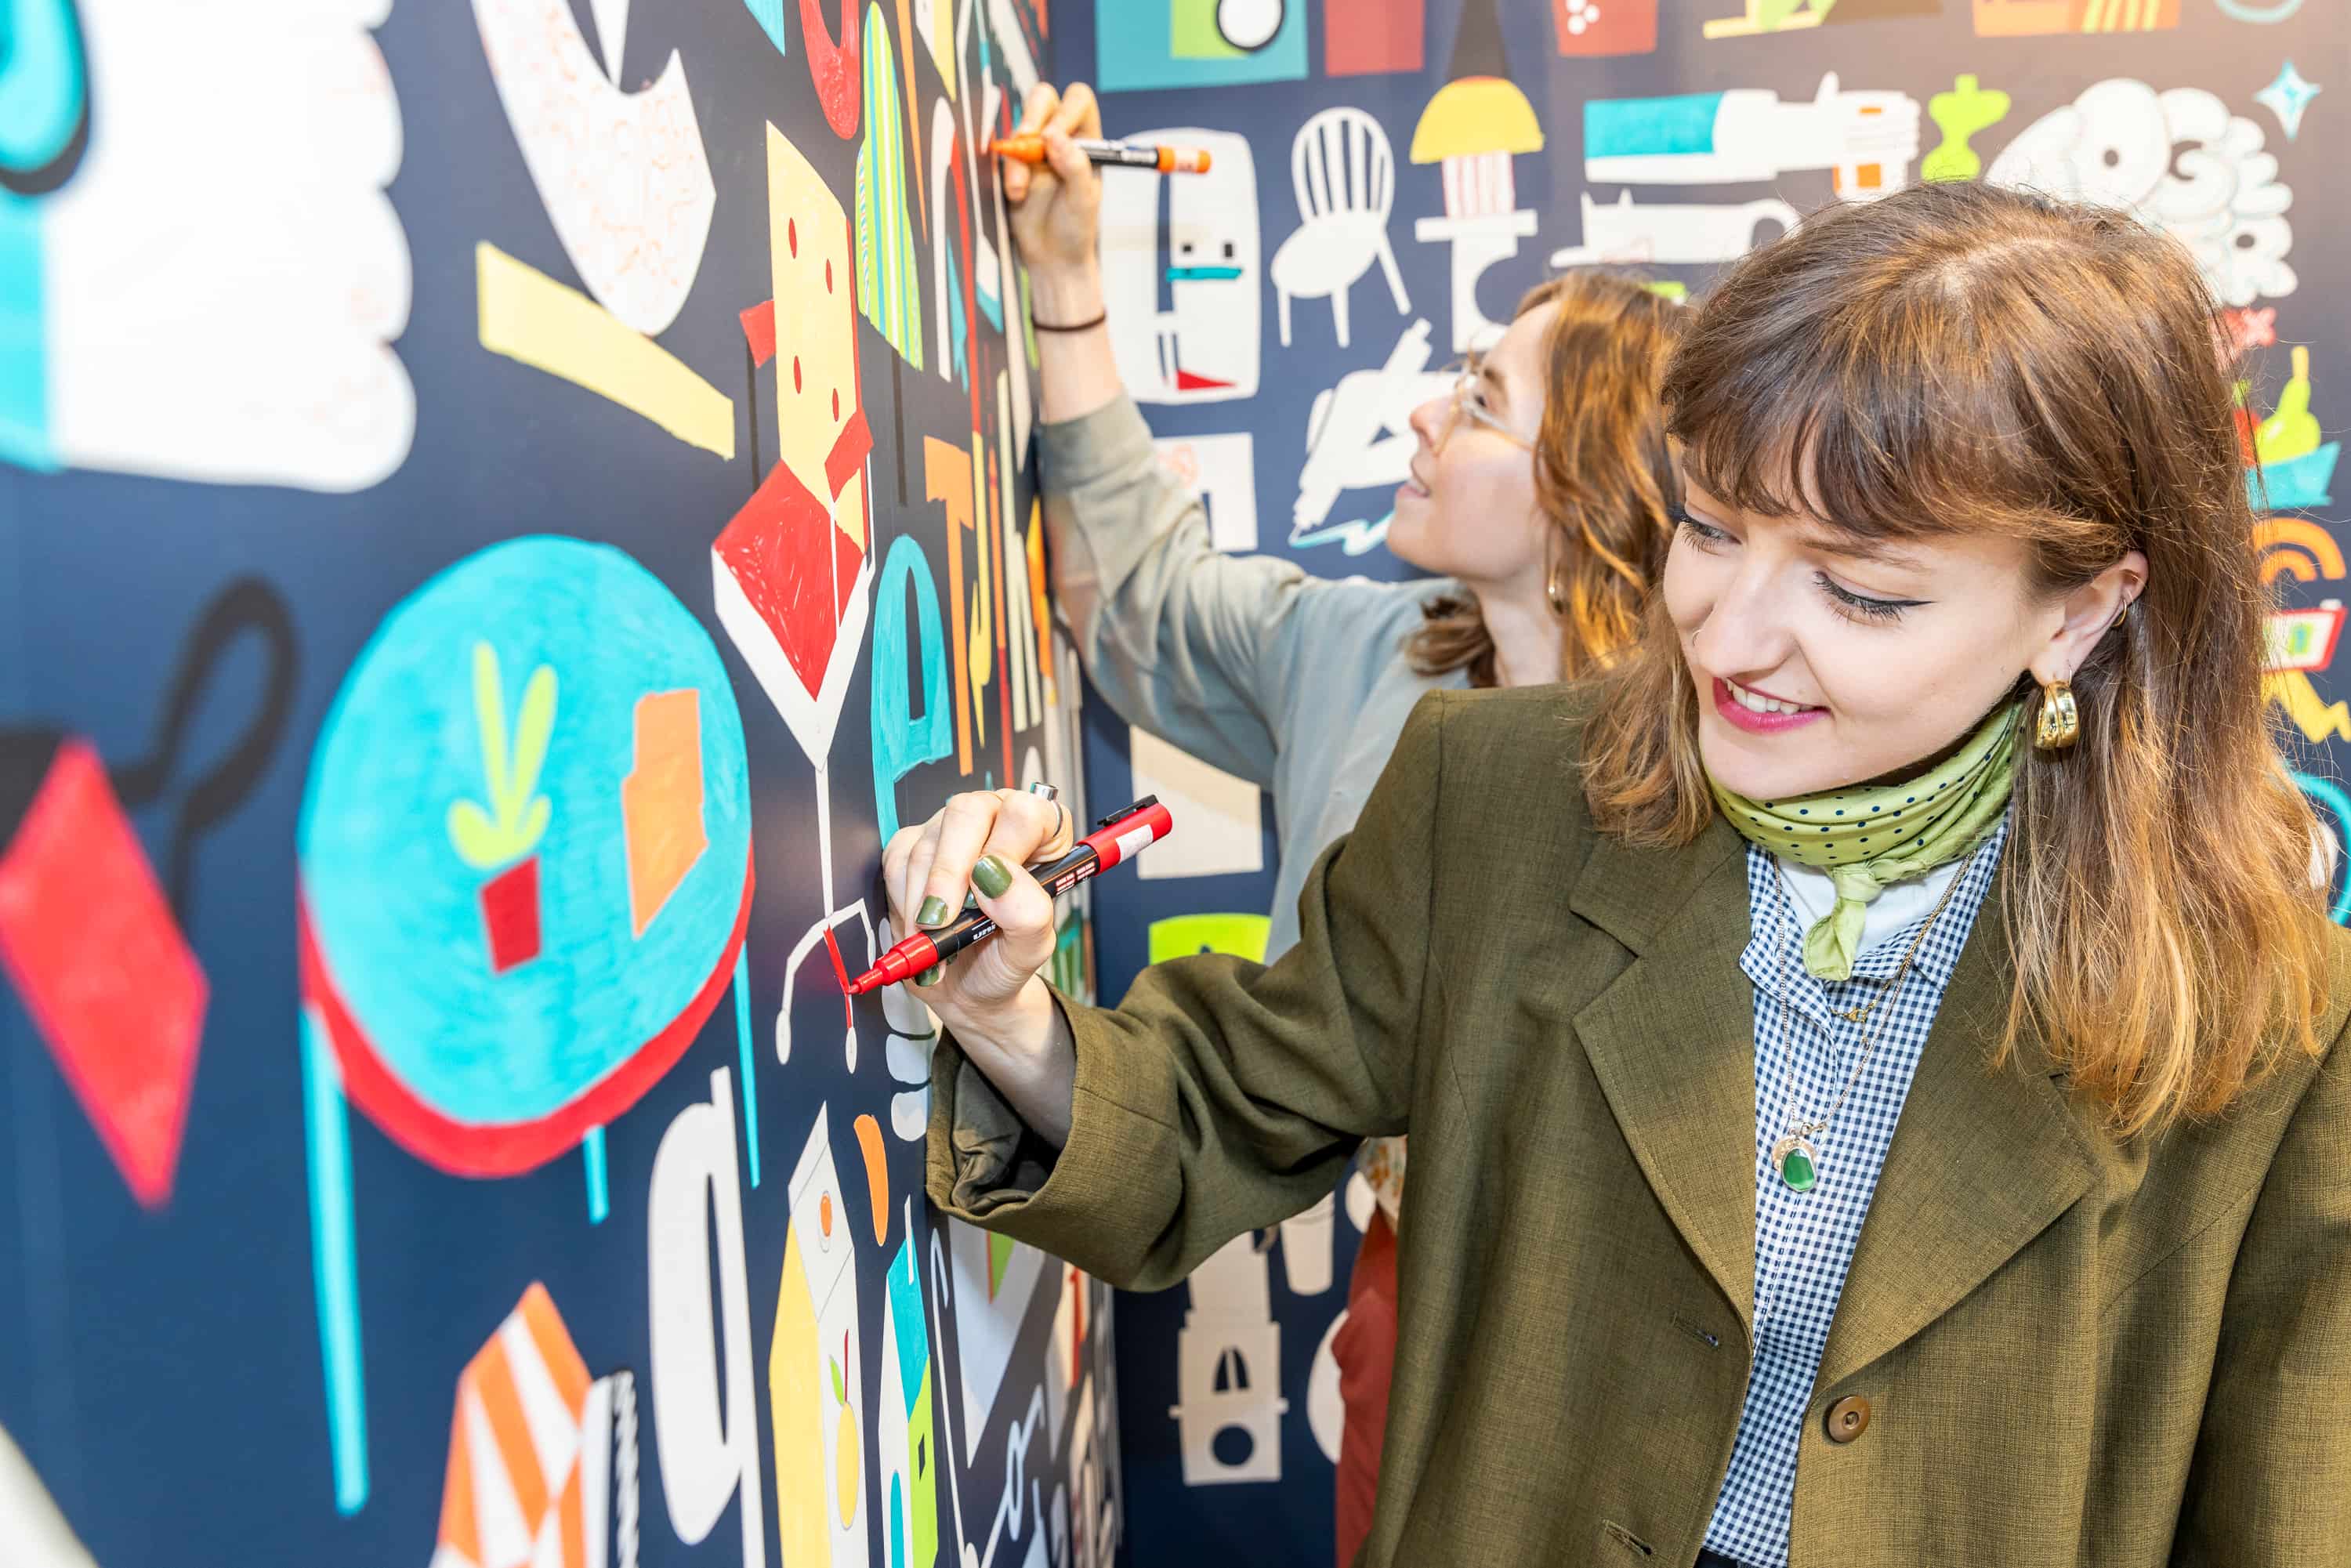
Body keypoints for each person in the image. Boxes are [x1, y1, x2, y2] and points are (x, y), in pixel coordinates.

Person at [896, 179, 2351, 1566]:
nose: (1728, 636)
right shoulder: (1502, 792)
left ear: (2083, 611)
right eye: (1712, 527)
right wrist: (1012, 1014)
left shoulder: (2274, 1023)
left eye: (1860, 590)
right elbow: (1220, 1104)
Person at [991, 82, 1683, 1561]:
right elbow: (1139, 601)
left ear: (1589, 502)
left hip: (1641, 1347)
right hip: (1405, 1295)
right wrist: (1064, 279)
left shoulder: (1716, 766)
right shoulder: (1375, 651)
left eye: (1486, 403)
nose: (1429, 412)